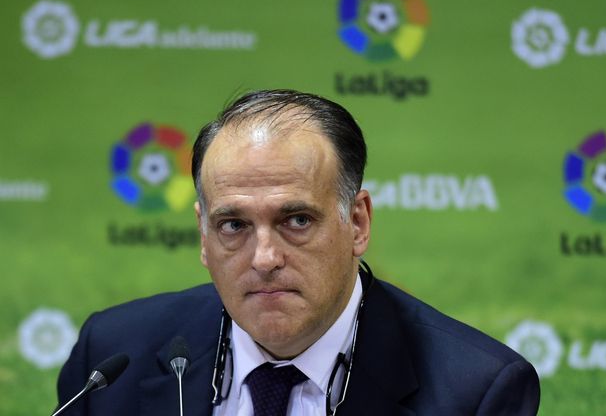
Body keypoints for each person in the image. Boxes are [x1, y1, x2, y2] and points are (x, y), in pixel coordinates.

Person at [57, 90, 540, 415]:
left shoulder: (475, 391)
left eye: (297, 221)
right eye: (233, 225)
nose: (264, 258)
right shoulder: (111, 359)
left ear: (357, 222)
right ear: (204, 235)